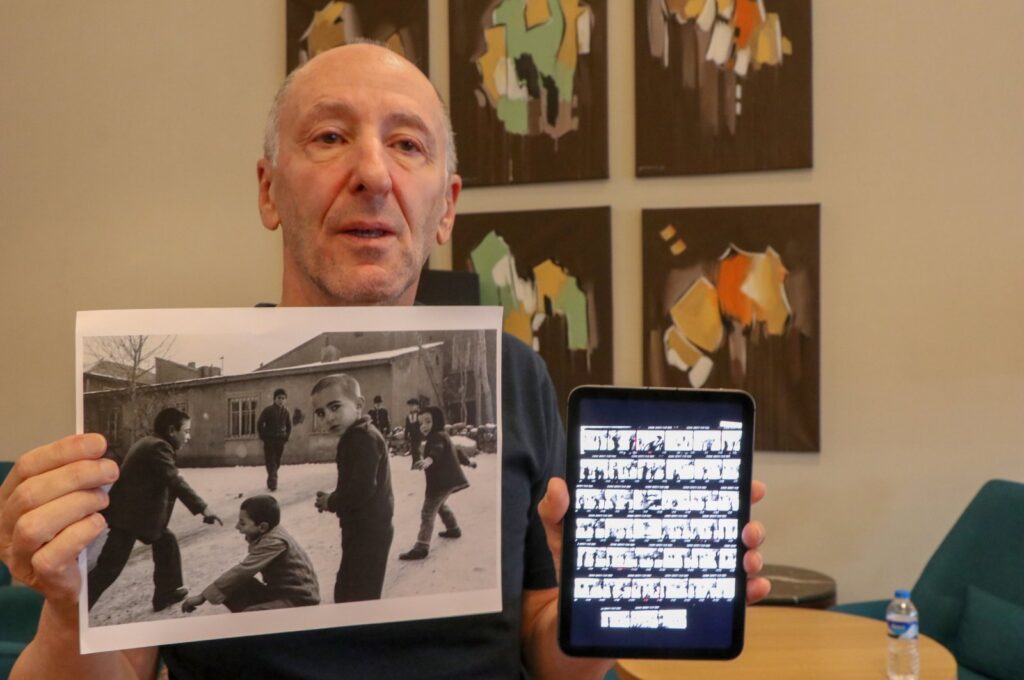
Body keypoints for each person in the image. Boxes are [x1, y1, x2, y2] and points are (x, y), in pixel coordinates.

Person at [0, 43, 768, 679]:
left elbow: (542, 641)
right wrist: (69, 612)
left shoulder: (519, 377)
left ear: (447, 207)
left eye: (407, 145)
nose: (373, 173)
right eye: (330, 138)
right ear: (269, 191)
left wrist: (596, 605)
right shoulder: (232, 387)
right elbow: (119, 668)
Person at [87, 407, 223, 612]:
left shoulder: (150, 443)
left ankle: (166, 593)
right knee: (109, 568)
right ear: (171, 430)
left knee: (165, 541)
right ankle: (76, 607)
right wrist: (203, 508)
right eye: (185, 431)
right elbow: (175, 481)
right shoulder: (159, 447)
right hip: (129, 518)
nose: (188, 436)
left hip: (134, 515)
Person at [311, 374, 393, 603]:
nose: (328, 417)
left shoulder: (362, 438)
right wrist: (334, 498)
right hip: (363, 528)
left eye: (335, 407)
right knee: (348, 590)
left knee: (357, 597)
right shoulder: (356, 435)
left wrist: (332, 501)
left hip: (369, 531)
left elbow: (361, 490)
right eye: (320, 413)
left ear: (358, 405)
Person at [181, 495, 320, 614]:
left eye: (242, 523)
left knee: (248, 616)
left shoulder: (274, 542)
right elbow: (238, 576)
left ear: (263, 527)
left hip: (299, 601)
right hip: (281, 592)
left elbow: (243, 570)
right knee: (233, 586)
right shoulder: (271, 530)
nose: (237, 527)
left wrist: (202, 597)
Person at [399, 406, 471, 561]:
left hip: (441, 482)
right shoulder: (443, 434)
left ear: (436, 421)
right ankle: (453, 528)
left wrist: (428, 460)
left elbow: (437, 450)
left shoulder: (436, 437)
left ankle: (421, 546)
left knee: (428, 512)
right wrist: (468, 462)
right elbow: (456, 451)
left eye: (428, 421)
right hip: (446, 481)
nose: (423, 426)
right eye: (421, 423)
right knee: (440, 506)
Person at [256, 388, 292, 491]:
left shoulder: (286, 412)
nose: (281, 400)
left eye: (283, 398)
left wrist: (286, 437)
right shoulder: (268, 410)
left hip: (280, 441)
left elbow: (289, 426)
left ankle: (271, 479)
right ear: (274, 399)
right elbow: (260, 423)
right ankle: (273, 483)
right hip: (270, 441)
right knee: (271, 461)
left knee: (277, 462)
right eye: (279, 398)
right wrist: (264, 436)